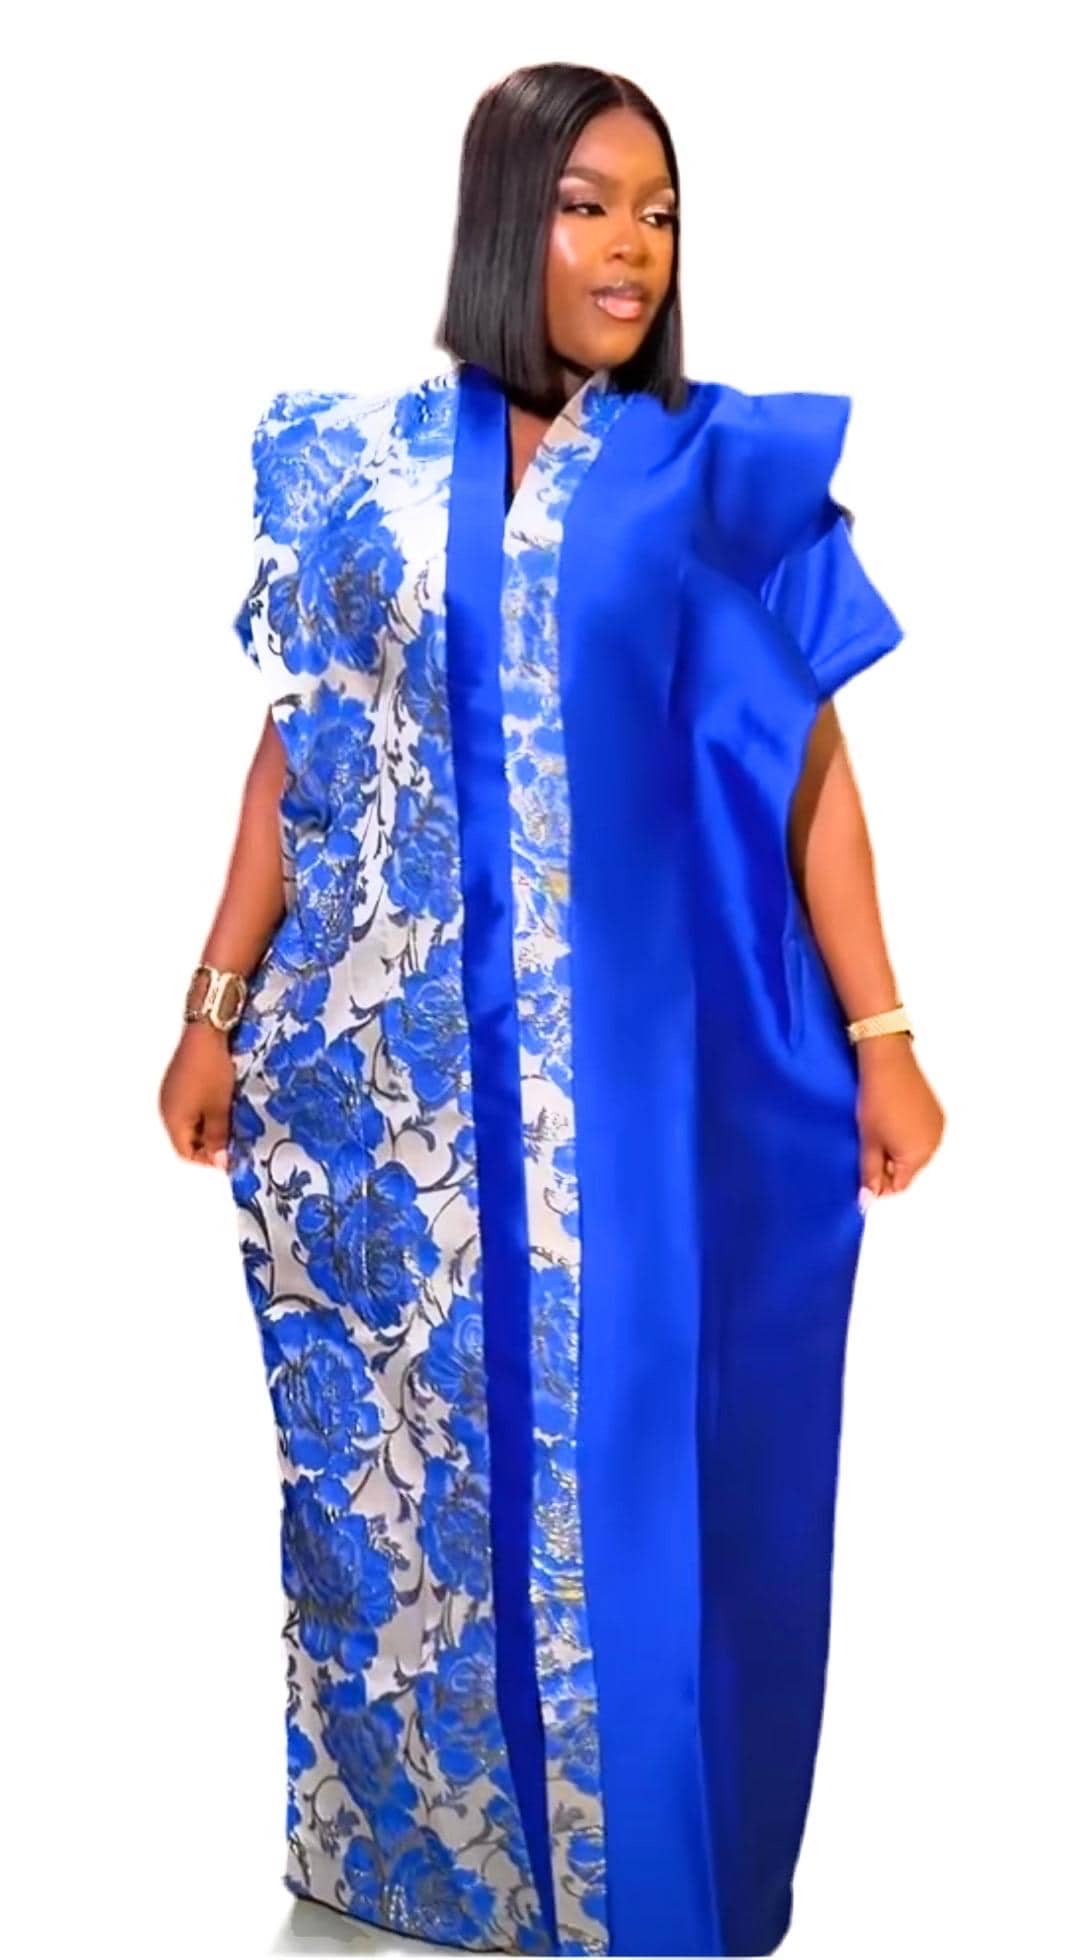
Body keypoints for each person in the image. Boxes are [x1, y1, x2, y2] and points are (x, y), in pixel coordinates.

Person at [158, 59, 945, 1960]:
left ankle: (642, 1890)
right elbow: (296, 750)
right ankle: (422, 1872)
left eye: (657, 212)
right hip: (388, 1107)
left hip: (646, 1098)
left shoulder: (706, 472)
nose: (630, 248)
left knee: (652, 1470)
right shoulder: (353, 468)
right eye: (590, 204)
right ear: (506, 216)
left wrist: (884, 1037)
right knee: (398, 1487)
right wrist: (212, 1002)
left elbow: (808, 770)